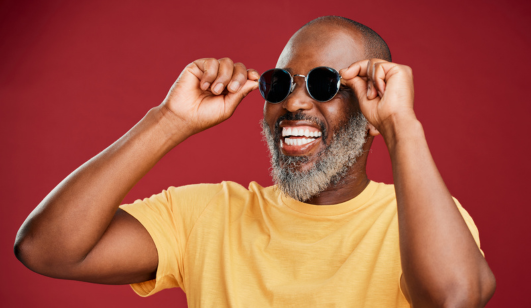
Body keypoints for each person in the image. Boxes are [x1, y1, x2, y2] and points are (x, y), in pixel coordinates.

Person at [14, 16, 496, 307]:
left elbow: (453, 298)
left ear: (372, 106)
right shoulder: (208, 216)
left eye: (325, 85)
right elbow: (45, 248)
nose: (295, 104)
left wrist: (401, 125)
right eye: (280, 84)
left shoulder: (424, 218)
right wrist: (168, 120)